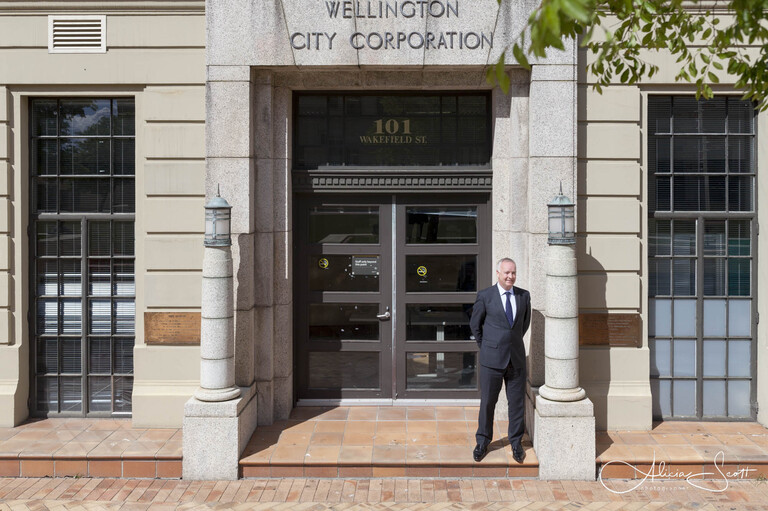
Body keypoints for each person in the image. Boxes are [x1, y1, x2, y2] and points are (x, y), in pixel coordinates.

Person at [469, 257, 531, 463]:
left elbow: (523, 325)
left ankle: (515, 443)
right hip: (491, 361)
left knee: (516, 404)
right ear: (498, 273)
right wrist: (487, 346)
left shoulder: (524, 296)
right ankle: (482, 442)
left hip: (516, 360)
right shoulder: (485, 296)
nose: (510, 276)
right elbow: (475, 325)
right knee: (488, 402)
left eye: (513, 272)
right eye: (506, 273)